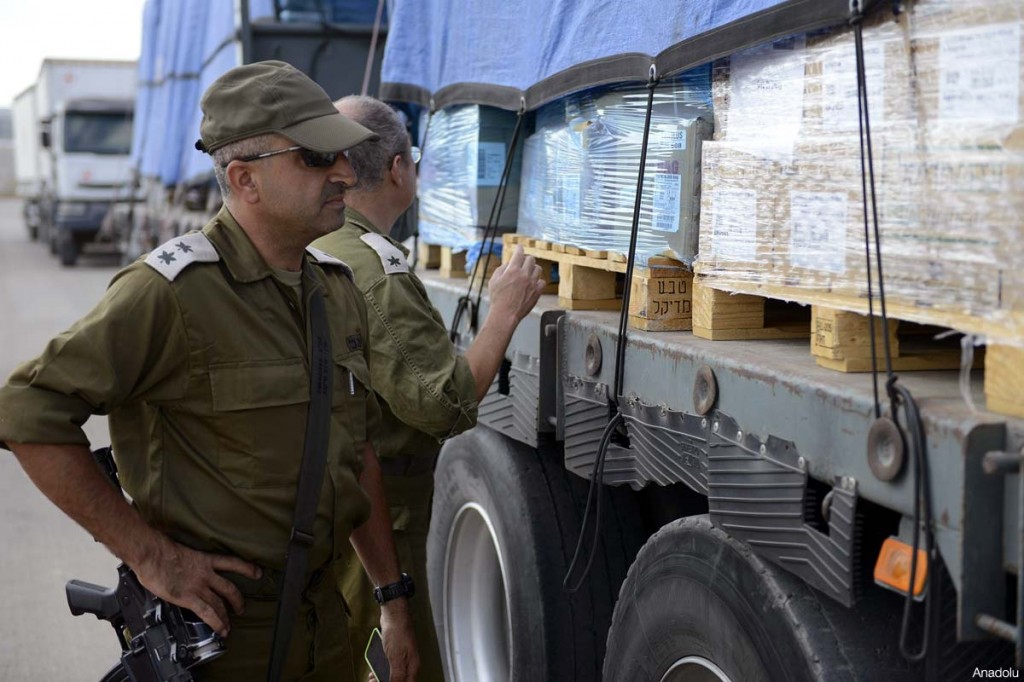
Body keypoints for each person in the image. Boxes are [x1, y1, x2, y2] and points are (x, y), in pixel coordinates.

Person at [0, 62, 419, 682]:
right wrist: (150, 556)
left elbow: (356, 455)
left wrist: (391, 598)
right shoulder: (169, 293)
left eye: (344, 155)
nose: (344, 173)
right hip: (225, 638)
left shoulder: (335, 289)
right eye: (315, 158)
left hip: (327, 627)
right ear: (245, 178)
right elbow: (26, 410)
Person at [312, 95, 545, 680]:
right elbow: (445, 403)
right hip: (384, 526)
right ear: (398, 169)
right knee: (402, 665)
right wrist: (505, 312)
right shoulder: (373, 272)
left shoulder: (325, 246)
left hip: (338, 520)